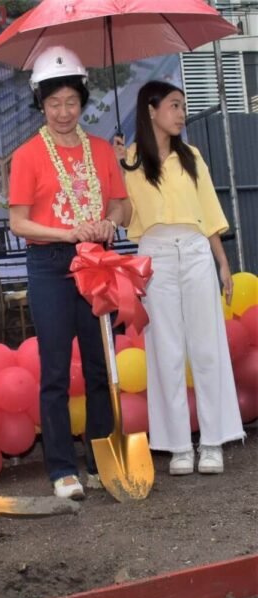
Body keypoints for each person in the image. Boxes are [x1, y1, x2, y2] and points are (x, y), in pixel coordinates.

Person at [8, 46, 129, 500]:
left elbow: (122, 204)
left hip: (97, 262)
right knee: (56, 370)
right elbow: (18, 222)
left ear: (83, 102)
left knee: (101, 367)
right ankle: (61, 468)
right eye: (54, 103)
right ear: (41, 103)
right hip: (51, 266)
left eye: (71, 102)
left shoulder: (100, 150)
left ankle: (100, 459)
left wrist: (109, 223)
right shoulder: (27, 156)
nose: (63, 112)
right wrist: (66, 233)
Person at [114, 81, 245, 475]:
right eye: (174, 105)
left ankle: (213, 442)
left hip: (194, 252)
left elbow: (208, 211)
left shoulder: (193, 157)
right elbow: (122, 213)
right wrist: (117, 166)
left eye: (182, 106)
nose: (181, 113)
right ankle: (177, 446)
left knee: (207, 348)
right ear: (151, 110)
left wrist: (222, 262)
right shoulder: (131, 159)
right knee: (165, 351)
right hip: (154, 257)